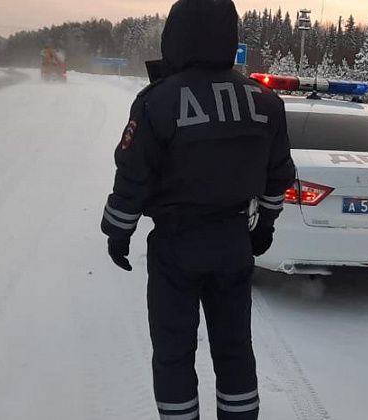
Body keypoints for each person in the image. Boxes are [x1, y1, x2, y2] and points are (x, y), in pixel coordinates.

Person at [99, 0, 295, 418]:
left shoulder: (158, 101)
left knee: (173, 352)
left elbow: (133, 175)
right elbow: (279, 175)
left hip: (176, 246)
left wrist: (118, 231)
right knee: (235, 350)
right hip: (233, 241)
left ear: (176, 36)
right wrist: (265, 226)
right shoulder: (265, 102)